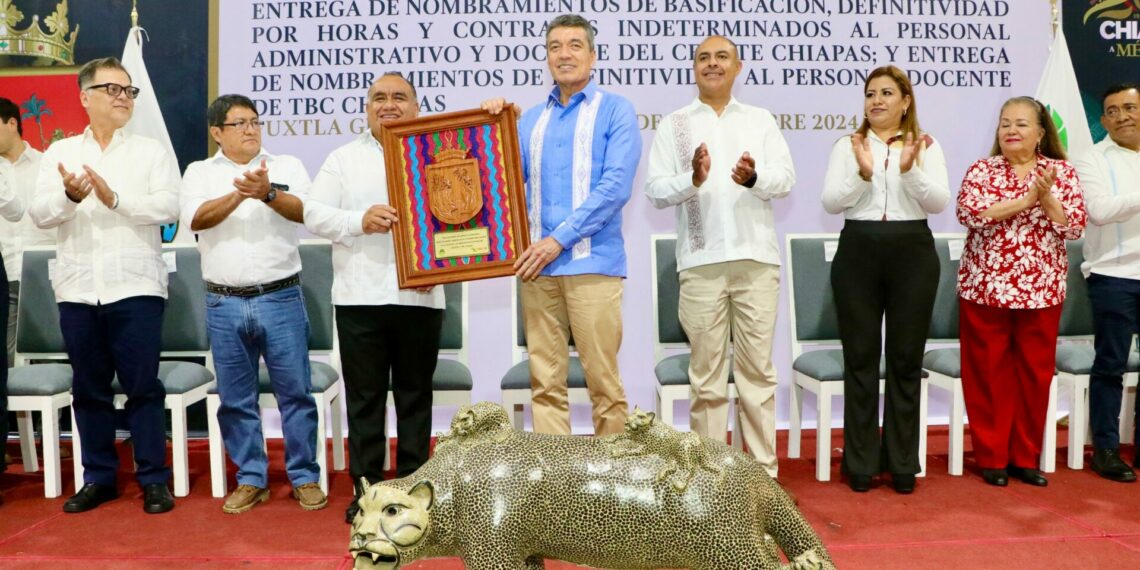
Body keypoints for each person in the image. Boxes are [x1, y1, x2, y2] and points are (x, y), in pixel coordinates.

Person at [30, 57, 179, 514]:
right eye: (111, 89)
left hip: (135, 286)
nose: (122, 97)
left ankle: (153, 479)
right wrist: (69, 197)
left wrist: (115, 199)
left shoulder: (150, 151)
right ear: (84, 96)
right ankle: (99, 478)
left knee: (142, 387)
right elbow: (39, 214)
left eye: (128, 91)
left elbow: (170, 207)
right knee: (89, 389)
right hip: (78, 288)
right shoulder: (59, 153)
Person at [645, 36, 795, 478]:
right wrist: (691, 179)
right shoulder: (674, 124)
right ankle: (711, 482)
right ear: (694, 68)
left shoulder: (760, 120)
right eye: (704, 58)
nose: (712, 64)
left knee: (757, 376)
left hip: (755, 261)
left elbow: (785, 179)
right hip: (700, 263)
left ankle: (762, 478)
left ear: (738, 66)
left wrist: (754, 177)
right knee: (706, 377)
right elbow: (655, 190)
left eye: (721, 57)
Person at [483, 14, 640, 436]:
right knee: (545, 387)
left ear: (592, 55)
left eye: (574, 45)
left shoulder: (616, 111)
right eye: (555, 46)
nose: (564, 54)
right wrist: (493, 127)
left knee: (603, 384)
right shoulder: (530, 119)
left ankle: (616, 484)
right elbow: (499, 183)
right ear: (547, 57)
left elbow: (614, 188)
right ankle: (557, 488)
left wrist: (559, 240)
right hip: (538, 270)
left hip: (592, 265)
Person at [304, 73, 445, 523]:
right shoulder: (343, 159)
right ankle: (367, 493)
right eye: (378, 98)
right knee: (363, 399)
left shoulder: (438, 154)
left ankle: (411, 491)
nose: (388, 104)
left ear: (416, 107)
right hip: (359, 296)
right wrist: (357, 220)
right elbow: (313, 214)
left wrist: (438, 267)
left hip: (420, 297)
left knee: (414, 397)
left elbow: (460, 220)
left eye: (399, 97)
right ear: (366, 109)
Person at [180, 94, 326, 514]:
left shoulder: (286, 167)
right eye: (239, 123)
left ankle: (305, 476)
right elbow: (194, 219)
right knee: (235, 399)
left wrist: (267, 193)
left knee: (295, 394)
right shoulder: (199, 172)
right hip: (223, 303)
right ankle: (251, 478)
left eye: (255, 121)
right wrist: (240, 195)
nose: (250, 129)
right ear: (216, 133)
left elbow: (307, 214)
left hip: (280, 297)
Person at [821, 65, 949, 494]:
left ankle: (901, 462)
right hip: (858, 250)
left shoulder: (927, 144)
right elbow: (830, 201)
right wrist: (863, 173)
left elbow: (937, 201)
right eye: (870, 93)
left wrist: (910, 168)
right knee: (859, 358)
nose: (876, 100)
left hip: (912, 251)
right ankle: (859, 460)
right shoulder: (848, 145)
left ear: (906, 101)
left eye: (887, 93)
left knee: (905, 359)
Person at [957, 96, 1087, 487]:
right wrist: (1026, 199)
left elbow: (1074, 227)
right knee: (988, 374)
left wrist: (1046, 198)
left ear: (1041, 133)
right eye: (1005, 123)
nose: (1011, 131)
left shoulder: (1061, 172)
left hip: (1041, 291)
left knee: (1034, 375)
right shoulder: (983, 169)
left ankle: (1024, 456)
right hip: (985, 288)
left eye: (1021, 124)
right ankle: (993, 456)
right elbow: (971, 214)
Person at [1075, 83, 1140, 482]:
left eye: (1130, 108)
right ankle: (1106, 448)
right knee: (1110, 367)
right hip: (1113, 275)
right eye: (1113, 111)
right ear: (1103, 121)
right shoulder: (1093, 159)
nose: (1122, 116)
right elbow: (1098, 210)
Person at [0, 97, 36, 476]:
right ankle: (10, 442)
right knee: (7, 362)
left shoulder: (45, 166)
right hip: (3, 274)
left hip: (42, 276)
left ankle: (66, 436)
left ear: (12, 123)